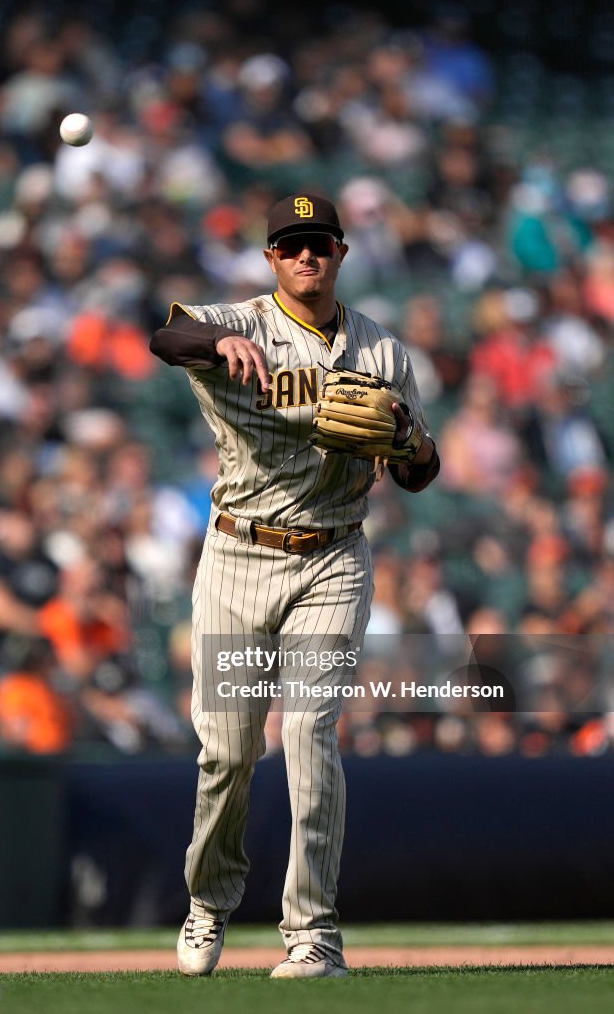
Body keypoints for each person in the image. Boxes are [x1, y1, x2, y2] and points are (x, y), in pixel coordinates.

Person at [150, 192, 440, 978]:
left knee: (310, 733)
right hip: (238, 557)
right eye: (290, 245)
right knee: (227, 752)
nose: (306, 256)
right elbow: (165, 334)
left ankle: (313, 932)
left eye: (319, 243)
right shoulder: (239, 323)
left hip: (333, 558)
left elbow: (419, 473)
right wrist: (214, 342)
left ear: (342, 252)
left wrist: (410, 439)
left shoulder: (381, 352)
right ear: (271, 258)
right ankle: (209, 904)